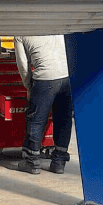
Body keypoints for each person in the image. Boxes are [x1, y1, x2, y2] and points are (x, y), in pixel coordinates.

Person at [13, 35, 72, 174]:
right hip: (66, 76)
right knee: (63, 119)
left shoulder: (19, 32)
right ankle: (59, 162)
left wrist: (29, 87)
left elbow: (23, 65)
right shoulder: (54, 23)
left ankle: (32, 162)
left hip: (44, 78)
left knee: (36, 120)